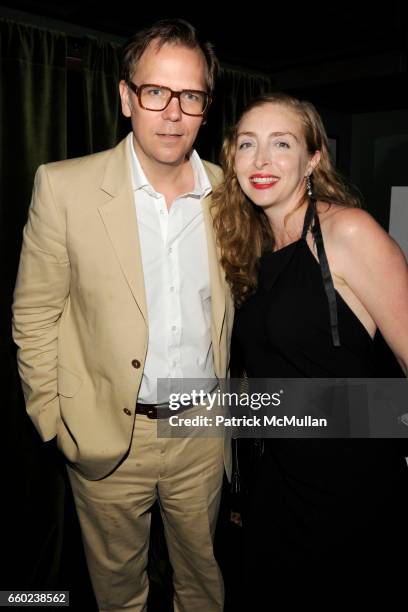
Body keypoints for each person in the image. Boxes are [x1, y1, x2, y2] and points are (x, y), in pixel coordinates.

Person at [12, 19, 234, 612]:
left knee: (204, 586)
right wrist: (53, 421)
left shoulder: (229, 195)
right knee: (118, 595)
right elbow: (34, 314)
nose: (172, 113)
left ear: (205, 108)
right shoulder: (63, 187)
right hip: (107, 436)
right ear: (125, 97)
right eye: (155, 92)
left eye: (190, 96)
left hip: (202, 433)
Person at [212, 92, 408, 605]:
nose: (261, 161)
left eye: (282, 144)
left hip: (354, 490)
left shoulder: (349, 232)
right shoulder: (251, 246)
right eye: (248, 144)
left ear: (313, 159)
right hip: (278, 485)